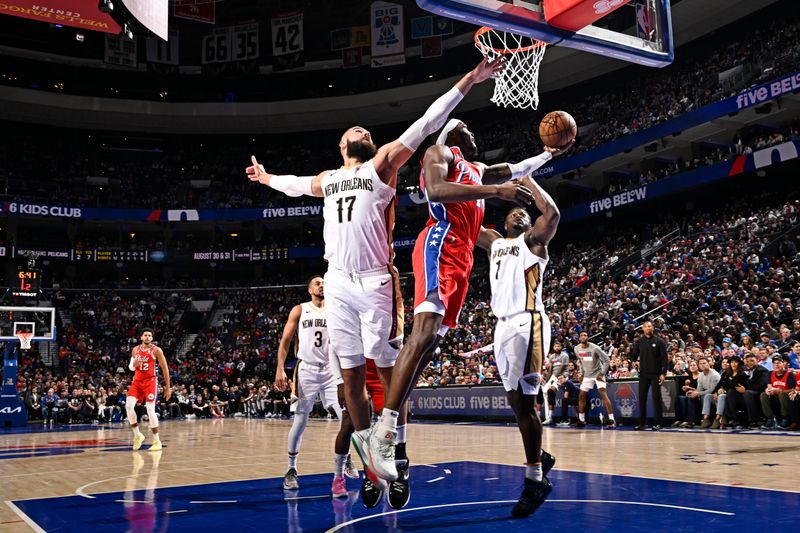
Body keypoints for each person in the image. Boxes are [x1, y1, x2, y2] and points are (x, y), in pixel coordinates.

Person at [247, 58, 507, 508]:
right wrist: (267, 177)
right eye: (356, 131)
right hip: (338, 285)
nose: (363, 131)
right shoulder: (329, 179)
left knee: (389, 379)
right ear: (342, 144)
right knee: (351, 382)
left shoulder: (382, 165)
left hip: (374, 283)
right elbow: (294, 185)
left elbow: (428, 122)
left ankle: (397, 455)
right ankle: (370, 461)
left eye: (366, 131)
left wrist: (469, 79)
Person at [369, 119, 570, 491]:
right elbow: (436, 188)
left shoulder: (480, 175)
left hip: (464, 259)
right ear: (453, 132)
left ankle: (394, 437)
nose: (476, 133)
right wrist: (499, 191)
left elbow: (519, 171)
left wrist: (548, 153)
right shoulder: (441, 153)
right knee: (422, 334)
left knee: (429, 347)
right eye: (468, 128)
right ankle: (384, 429)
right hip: (441, 244)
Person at [474, 200, 563, 518]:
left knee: (526, 405)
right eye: (513, 212)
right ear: (504, 222)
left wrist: (527, 174)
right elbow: (467, 220)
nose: (519, 212)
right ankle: (540, 454)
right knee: (515, 403)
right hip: (502, 327)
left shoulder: (535, 242)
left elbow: (552, 213)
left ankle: (534, 479)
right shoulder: (495, 242)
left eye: (524, 212)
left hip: (529, 322)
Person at [274, 276, 358, 495]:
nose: (322, 285)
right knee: (301, 419)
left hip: (332, 370)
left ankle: (345, 458)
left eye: (324, 282)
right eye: (317, 283)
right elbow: (285, 340)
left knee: (345, 418)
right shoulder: (300, 310)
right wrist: (280, 369)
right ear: (309, 288)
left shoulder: (336, 309)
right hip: (307, 369)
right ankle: (291, 470)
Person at [126, 328, 171, 451]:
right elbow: (131, 367)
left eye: (149, 335)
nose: (147, 337)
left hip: (150, 381)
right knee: (129, 406)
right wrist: (134, 364)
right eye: (145, 335)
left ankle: (157, 441)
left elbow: (165, 369)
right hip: (137, 382)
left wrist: (168, 388)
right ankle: (137, 435)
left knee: (150, 408)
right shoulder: (135, 350)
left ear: (152, 338)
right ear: (141, 337)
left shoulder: (156, 350)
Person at [631, 320, 667, 430]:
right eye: (646, 326)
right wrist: (633, 361)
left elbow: (664, 359)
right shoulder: (639, 342)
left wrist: (663, 373)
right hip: (643, 374)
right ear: (643, 329)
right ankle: (642, 423)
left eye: (650, 326)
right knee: (642, 398)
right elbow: (633, 355)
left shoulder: (659, 341)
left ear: (653, 328)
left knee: (656, 398)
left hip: (656, 374)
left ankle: (658, 423)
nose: (648, 328)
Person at [574, 332, 615, 428]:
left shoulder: (595, 348)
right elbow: (580, 361)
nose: (583, 336)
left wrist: (602, 373)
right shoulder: (576, 348)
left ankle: (611, 419)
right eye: (581, 335)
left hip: (598, 373)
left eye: (585, 335)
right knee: (581, 396)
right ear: (579, 338)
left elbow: (606, 360)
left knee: (603, 394)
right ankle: (582, 419)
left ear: (588, 337)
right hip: (587, 375)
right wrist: (581, 373)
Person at [725, 352, 769, 428]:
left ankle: (754, 420)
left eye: (752, 360)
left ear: (757, 360)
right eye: (748, 361)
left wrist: (745, 389)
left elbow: (762, 386)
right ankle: (735, 419)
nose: (750, 363)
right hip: (746, 394)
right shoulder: (744, 371)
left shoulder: (762, 370)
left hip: (758, 394)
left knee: (747, 393)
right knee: (730, 392)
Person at [759, 354, 796, 430]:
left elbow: (792, 390)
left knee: (782, 394)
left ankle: (785, 418)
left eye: (779, 362)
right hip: (775, 397)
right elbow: (769, 386)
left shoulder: (789, 374)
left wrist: (780, 391)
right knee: (763, 394)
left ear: (783, 364)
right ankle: (770, 418)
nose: (776, 365)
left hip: (787, 397)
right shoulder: (770, 373)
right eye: (774, 363)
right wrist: (768, 390)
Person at [542, 342, 568, 425]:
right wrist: (547, 380)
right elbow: (550, 370)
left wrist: (553, 378)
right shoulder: (552, 356)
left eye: (558, 346)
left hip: (562, 376)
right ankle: (548, 417)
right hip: (552, 376)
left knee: (550, 391)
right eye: (555, 346)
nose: (556, 347)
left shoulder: (564, 355)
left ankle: (550, 417)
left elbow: (561, 368)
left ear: (561, 347)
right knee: (545, 392)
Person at [695, 357, 721, 429]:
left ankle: (708, 419)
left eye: (704, 363)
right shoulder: (700, 375)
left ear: (708, 364)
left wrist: (698, 393)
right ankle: (696, 420)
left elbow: (713, 389)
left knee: (706, 396)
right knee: (690, 397)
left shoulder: (714, 375)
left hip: (717, 394)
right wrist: (693, 392)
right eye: (700, 364)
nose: (702, 365)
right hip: (708, 394)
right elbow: (699, 389)